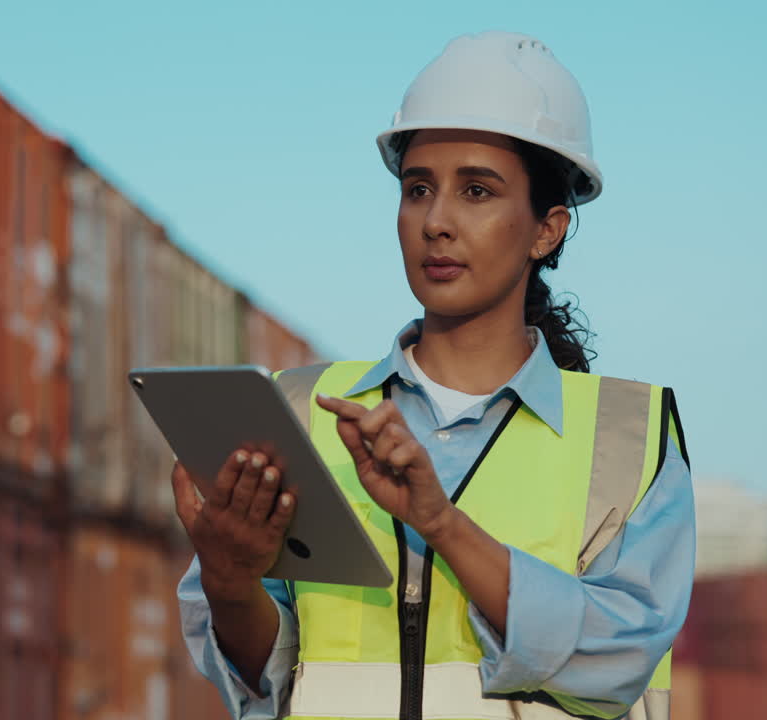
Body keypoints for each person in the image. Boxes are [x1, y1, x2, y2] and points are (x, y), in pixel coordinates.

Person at [172, 31, 695, 720]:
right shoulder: (301, 410)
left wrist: (441, 524)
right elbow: (264, 679)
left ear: (549, 229)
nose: (437, 222)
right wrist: (229, 577)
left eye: (476, 190)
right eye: (418, 189)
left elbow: (618, 655)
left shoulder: (631, 437)